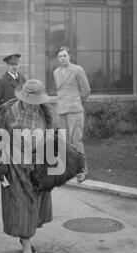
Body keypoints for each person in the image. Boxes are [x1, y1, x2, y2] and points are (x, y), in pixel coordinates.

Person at [0, 79, 58, 253]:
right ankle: (26, 245)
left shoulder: (46, 111)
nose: (33, 105)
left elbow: (53, 136)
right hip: (15, 164)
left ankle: (26, 236)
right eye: (30, 101)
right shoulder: (7, 112)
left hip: (38, 164)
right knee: (21, 203)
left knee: (34, 204)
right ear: (23, 97)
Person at [53, 47, 91, 183]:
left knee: (76, 140)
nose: (62, 58)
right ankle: (68, 170)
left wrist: (76, 102)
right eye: (60, 56)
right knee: (64, 141)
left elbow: (86, 90)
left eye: (64, 55)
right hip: (61, 110)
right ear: (58, 58)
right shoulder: (56, 72)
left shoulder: (77, 69)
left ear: (69, 56)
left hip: (74, 110)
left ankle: (81, 171)